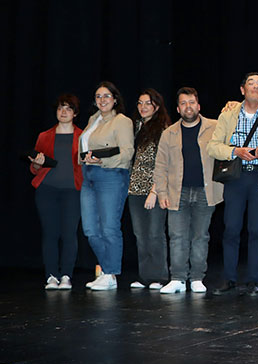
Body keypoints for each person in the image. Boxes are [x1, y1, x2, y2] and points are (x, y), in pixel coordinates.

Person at [207, 73, 258, 296]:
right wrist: (235, 151)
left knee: (257, 230)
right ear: (242, 90)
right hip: (235, 178)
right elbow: (212, 147)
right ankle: (229, 278)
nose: (255, 87)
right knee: (231, 228)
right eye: (251, 83)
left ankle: (253, 280)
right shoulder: (227, 115)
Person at [155, 87, 224, 294]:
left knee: (200, 236)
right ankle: (177, 278)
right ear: (178, 109)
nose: (188, 107)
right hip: (177, 192)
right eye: (183, 103)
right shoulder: (169, 133)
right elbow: (160, 165)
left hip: (206, 192)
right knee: (177, 237)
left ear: (198, 106)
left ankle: (196, 278)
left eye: (191, 102)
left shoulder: (215, 127)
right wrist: (161, 193)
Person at [79, 81, 135, 290]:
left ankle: (110, 274)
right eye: (98, 96)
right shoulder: (93, 120)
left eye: (106, 96)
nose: (102, 100)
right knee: (90, 229)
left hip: (111, 175)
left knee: (109, 228)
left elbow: (127, 153)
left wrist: (102, 161)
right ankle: (106, 270)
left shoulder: (122, 121)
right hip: (89, 176)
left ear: (115, 99)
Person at [29, 94, 83, 290]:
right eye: (60, 108)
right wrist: (36, 163)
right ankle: (51, 276)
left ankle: (66, 275)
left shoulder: (83, 136)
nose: (63, 112)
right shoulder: (44, 136)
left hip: (73, 191)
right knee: (50, 233)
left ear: (75, 113)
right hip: (47, 190)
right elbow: (34, 168)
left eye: (68, 108)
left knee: (69, 234)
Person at [127, 88, 171, 290]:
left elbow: (165, 163)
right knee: (140, 234)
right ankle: (145, 276)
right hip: (134, 189)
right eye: (140, 103)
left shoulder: (163, 129)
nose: (143, 107)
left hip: (155, 189)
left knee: (155, 233)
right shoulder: (135, 127)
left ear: (157, 106)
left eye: (148, 103)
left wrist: (155, 191)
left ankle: (159, 276)